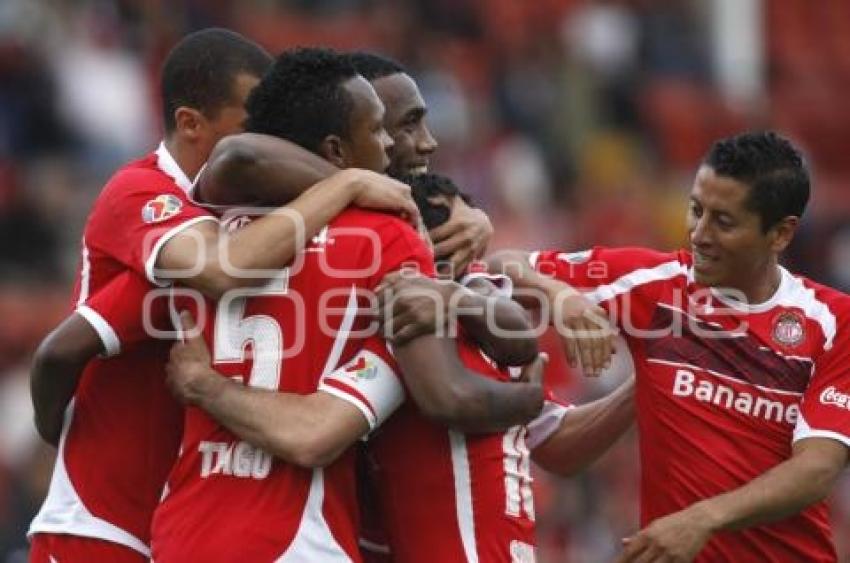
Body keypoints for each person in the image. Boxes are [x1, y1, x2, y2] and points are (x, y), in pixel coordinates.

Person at [28, 29, 417, 563]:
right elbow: (60, 350)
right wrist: (64, 439)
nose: (270, 139)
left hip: (174, 524)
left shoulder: (253, 220)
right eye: (252, 123)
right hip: (101, 522)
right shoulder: (140, 192)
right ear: (191, 124)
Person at [150, 47, 545, 563]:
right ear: (337, 149)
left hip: (182, 534)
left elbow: (235, 157)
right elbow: (441, 396)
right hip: (296, 543)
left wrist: (203, 384)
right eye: (383, 129)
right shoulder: (387, 235)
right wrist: (530, 397)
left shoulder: (205, 224)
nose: (397, 145)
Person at [488, 131, 850, 562]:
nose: (699, 234)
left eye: (724, 221)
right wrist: (557, 292)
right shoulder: (657, 285)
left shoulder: (833, 322)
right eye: (696, 210)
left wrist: (702, 518)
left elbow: (817, 468)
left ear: (780, 234)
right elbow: (499, 267)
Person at [356, 173, 635, 562]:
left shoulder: (482, 322)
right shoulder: (406, 312)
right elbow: (450, 401)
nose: (427, 141)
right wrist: (525, 399)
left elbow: (558, 446)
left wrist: (645, 386)